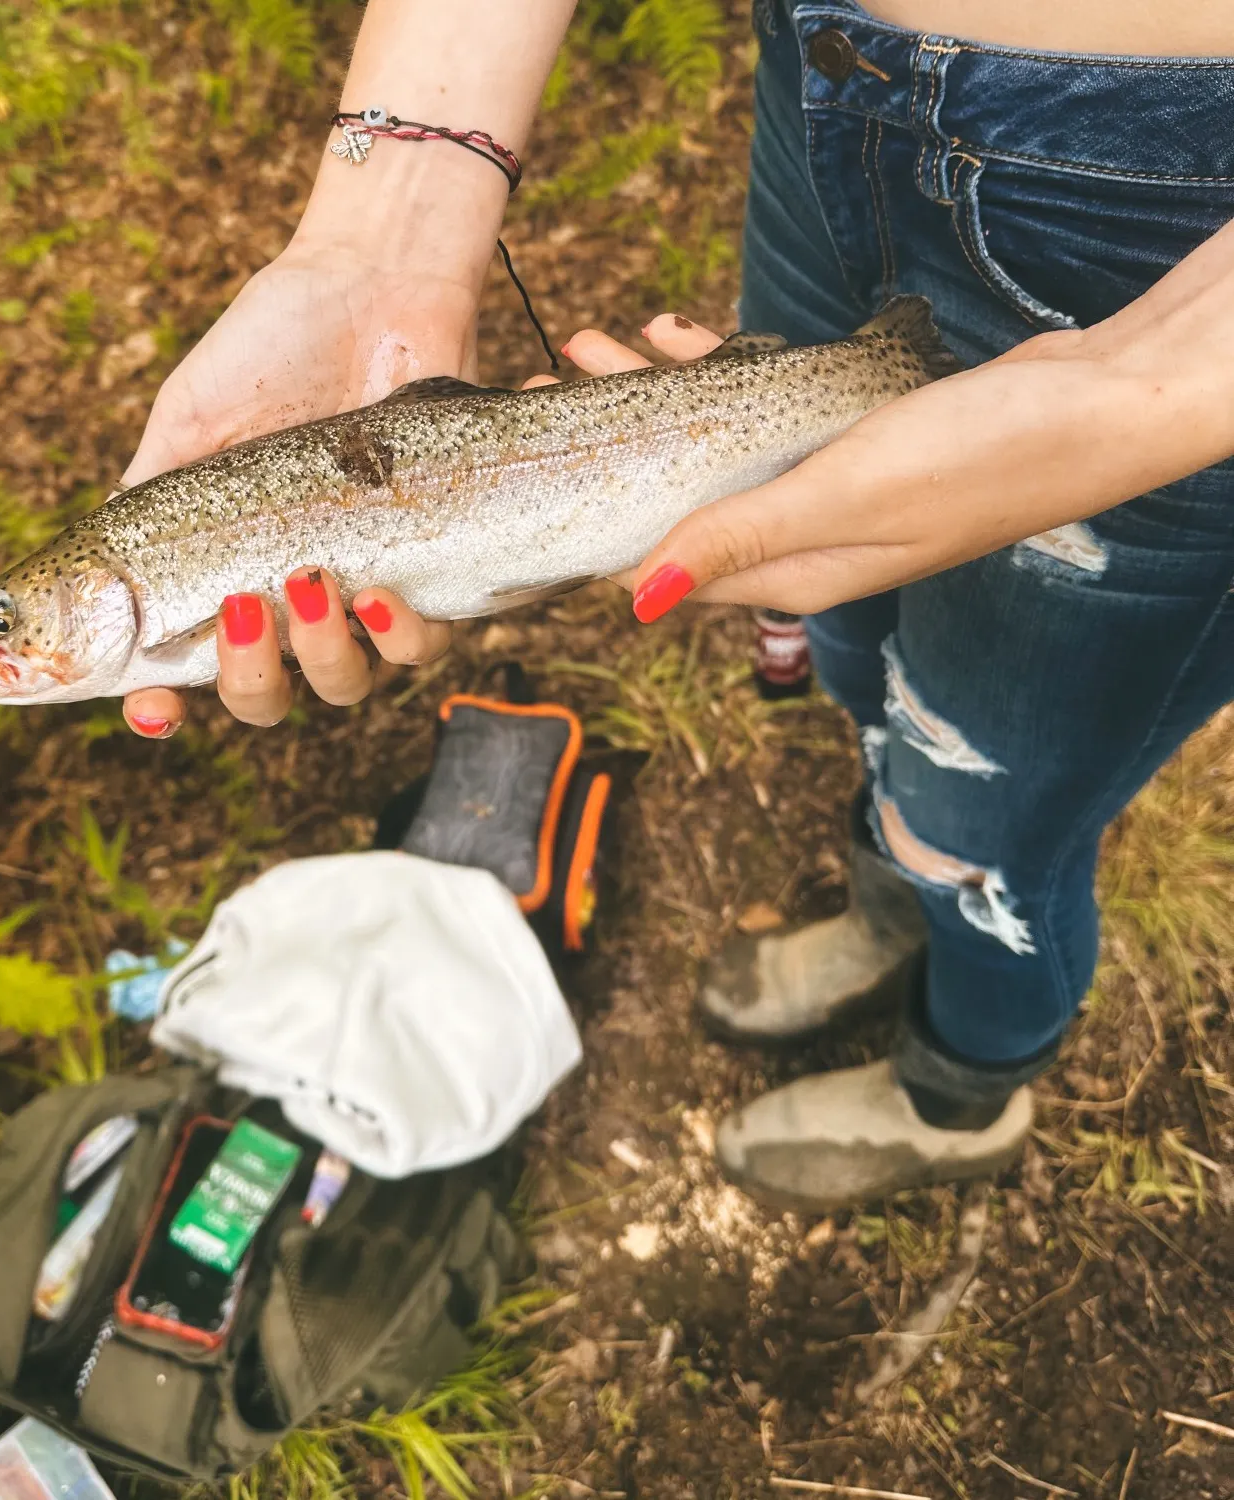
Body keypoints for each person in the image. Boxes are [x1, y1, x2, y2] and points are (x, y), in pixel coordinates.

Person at [116, 0, 1234, 1212]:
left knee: (993, 810)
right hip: (829, 76)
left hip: (1178, 232)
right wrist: (379, 235)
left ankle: (961, 1087)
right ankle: (888, 911)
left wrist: (1143, 392)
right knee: (858, 656)